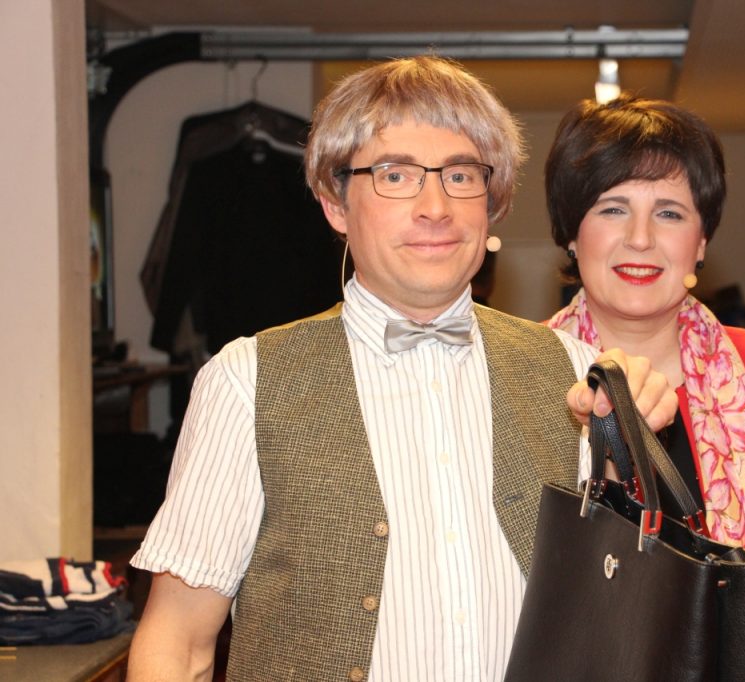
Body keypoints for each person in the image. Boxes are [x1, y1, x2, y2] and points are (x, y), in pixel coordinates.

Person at [126, 57, 677, 681]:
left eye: (461, 175)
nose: (435, 207)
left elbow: (609, 614)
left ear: (492, 201)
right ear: (335, 203)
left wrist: (627, 449)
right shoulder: (247, 382)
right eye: (395, 175)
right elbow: (178, 643)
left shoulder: (571, 370)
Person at [543, 95, 745, 682]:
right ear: (572, 233)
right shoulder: (520, 376)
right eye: (613, 208)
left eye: (670, 213)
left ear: (700, 242)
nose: (641, 238)